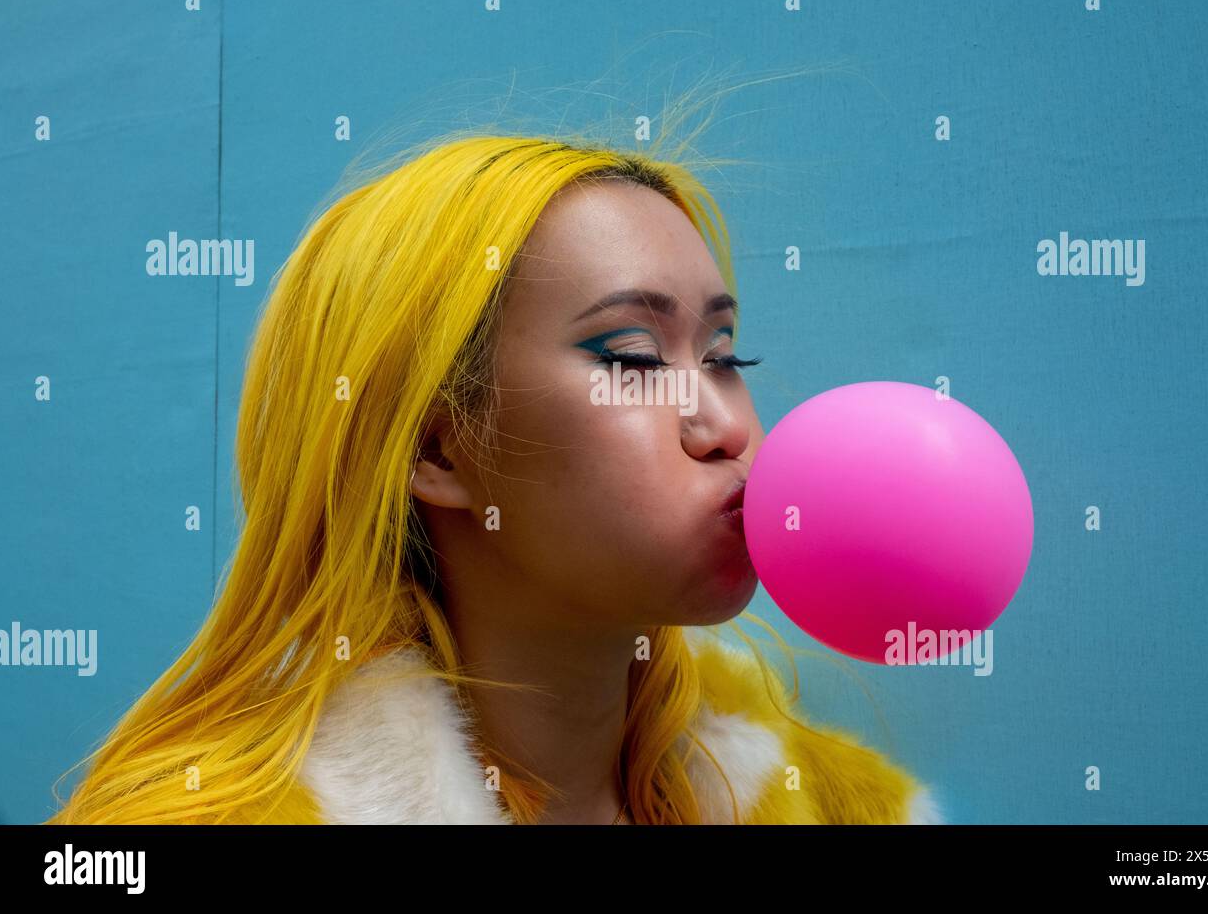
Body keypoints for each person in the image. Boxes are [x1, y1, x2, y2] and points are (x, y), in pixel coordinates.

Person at [48, 128, 943, 825]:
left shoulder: (832, 799)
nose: (728, 428)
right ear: (435, 451)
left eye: (723, 353)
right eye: (634, 359)